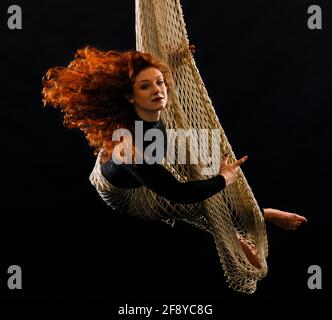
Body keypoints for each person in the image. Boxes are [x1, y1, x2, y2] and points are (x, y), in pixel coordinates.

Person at [42, 46, 307, 267]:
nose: (158, 90)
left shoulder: (153, 107)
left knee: (202, 164)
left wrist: (176, 62)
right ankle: (257, 220)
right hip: (126, 194)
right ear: (131, 96)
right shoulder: (130, 148)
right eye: (145, 86)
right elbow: (179, 193)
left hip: (149, 158)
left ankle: (241, 218)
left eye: (160, 82)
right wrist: (224, 178)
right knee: (200, 204)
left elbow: (155, 73)